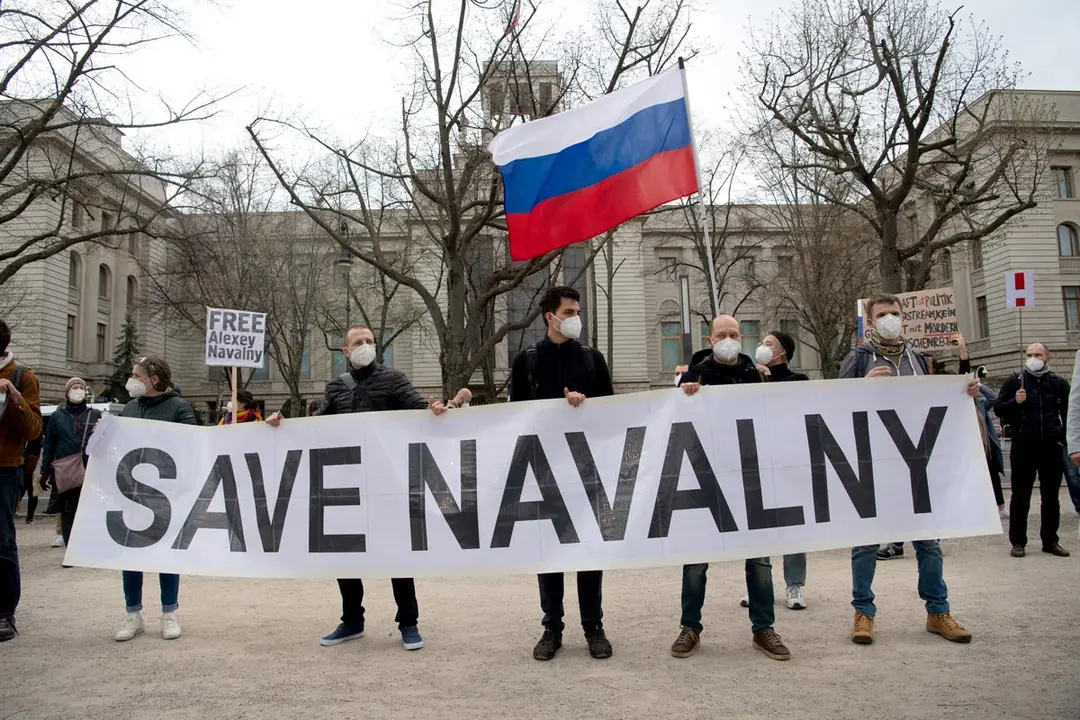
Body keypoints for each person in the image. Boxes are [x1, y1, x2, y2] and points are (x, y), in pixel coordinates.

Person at [266, 324, 455, 652]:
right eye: (358, 342)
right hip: (348, 485)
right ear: (346, 351)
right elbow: (318, 428)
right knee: (346, 555)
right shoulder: (336, 387)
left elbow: (420, 413)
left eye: (369, 340)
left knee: (398, 553)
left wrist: (436, 411)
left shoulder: (394, 379)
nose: (365, 345)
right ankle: (352, 619)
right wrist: (282, 427)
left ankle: (408, 622)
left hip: (388, 484)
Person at [839, 293, 978, 645]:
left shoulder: (919, 359)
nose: (890, 319)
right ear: (870, 322)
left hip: (916, 462)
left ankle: (938, 611)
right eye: (882, 314)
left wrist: (964, 392)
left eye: (895, 313)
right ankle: (863, 613)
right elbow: (834, 405)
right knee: (866, 544)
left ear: (904, 317)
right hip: (871, 463)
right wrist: (861, 388)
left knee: (928, 543)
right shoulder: (857, 359)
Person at [671, 315, 791, 662]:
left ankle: (763, 627)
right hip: (705, 476)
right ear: (710, 341)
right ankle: (690, 626)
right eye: (722, 335)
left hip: (749, 476)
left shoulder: (755, 373)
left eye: (734, 334)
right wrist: (686, 396)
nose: (729, 339)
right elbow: (677, 419)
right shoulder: (695, 374)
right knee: (696, 559)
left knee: (759, 559)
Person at [508, 286, 614, 662]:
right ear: (549, 317)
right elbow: (516, 417)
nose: (575, 318)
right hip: (544, 470)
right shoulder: (527, 361)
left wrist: (583, 409)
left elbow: (610, 415)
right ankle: (552, 627)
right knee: (549, 552)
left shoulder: (592, 359)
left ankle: (593, 627)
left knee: (589, 550)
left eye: (577, 311)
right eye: (568, 312)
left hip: (587, 470)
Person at [114, 355, 197, 642]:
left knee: (167, 556)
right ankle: (133, 614)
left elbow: (191, 445)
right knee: (131, 554)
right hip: (133, 493)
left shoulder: (178, 408)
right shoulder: (129, 408)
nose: (132, 380)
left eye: (137, 375)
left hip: (166, 495)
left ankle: (169, 614)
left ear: (154, 379)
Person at [748, 329, 811, 611]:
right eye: (761, 342)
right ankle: (759, 587)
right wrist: (757, 378)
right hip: (758, 461)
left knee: (793, 526)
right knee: (757, 527)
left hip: (789, 461)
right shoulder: (751, 377)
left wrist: (768, 380)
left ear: (783, 350)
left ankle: (794, 584)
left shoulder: (799, 380)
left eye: (769, 343)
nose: (762, 346)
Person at [994, 343, 1070, 558]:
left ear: (1048, 357)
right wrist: (1015, 402)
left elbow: (1069, 413)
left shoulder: (1058, 383)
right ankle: (1018, 542)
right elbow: (998, 408)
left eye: (1037, 354)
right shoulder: (1015, 381)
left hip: (1051, 447)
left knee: (1051, 496)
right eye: (1029, 355)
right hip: (1023, 446)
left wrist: (1063, 440)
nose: (1033, 358)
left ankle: (1050, 541)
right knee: (1020, 496)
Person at [0, 320, 42, 642]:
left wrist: (15, 399)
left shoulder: (21, 376)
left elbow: (33, 430)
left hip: (5, 467)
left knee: (3, 541)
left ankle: (5, 612)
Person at [39, 378, 102, 552]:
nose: (78, 390)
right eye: (74, 387)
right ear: (67, 392)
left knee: (88, 510)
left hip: (90, 470)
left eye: (81, 387)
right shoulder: (57, 416)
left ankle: (87, 547)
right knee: (67, 512)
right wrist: (45, 472)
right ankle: (71, 550)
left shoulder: (95, 415)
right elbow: (50, 445)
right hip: (65, 471)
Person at [973, 367, 1007, 518]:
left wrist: (979, 385)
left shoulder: (980, 404)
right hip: (971, 450)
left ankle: (1001, 507)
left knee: (993, 477)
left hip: (986, 447)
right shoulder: (957, 407)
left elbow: (993, 397)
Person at [17, 431, 42, 524]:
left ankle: (29, 516)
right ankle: (30, 516)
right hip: (31, 464)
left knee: (24, 491)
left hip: (28, 463)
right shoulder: (37, 433)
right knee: (30, 492)